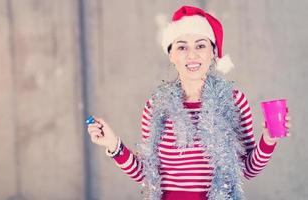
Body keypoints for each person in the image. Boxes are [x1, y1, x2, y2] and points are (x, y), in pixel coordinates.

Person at [87, 5, 291, 200]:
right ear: (171, 55)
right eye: (182, 47)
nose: (192, 55)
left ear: (213, 53)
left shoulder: (234, 100)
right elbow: (147, 175)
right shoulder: (156, 106)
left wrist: (269, 140)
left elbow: (247, 170)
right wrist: (113, 145)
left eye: (201, 45)